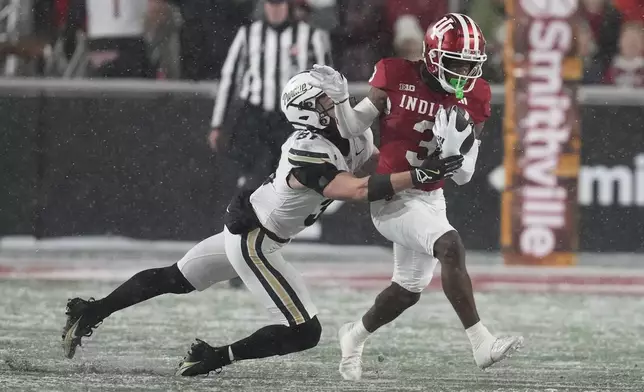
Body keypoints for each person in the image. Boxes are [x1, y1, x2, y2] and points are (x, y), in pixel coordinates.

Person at [61, 71, 465, 376]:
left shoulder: (347, 132)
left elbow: (375, 139)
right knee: (305, 332)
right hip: (257, 239)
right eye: (329, 103)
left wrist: (418, 146)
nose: (340, 107)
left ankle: (90, 310)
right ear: (310, 111)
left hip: (254, 226)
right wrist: (419, 175)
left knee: (175, 278)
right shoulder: (306, 148)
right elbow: (357, 190)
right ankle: (212, 357)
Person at [308, 12, 523, 381]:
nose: (463, 77)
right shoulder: (395, 73)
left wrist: (454, 148)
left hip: (430, 197)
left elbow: (465, 175)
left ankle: (353, 335)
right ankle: (480, 343)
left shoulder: (477, 95)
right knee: (450, 245)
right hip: (392, 195)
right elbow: (353, 128)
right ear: (433, 56)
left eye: (470, 67)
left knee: (407, 291)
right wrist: (342, 98)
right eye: (456, 64)